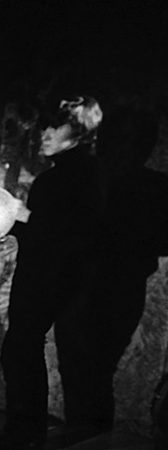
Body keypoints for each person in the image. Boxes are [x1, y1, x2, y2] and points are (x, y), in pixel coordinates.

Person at [0, 95, 106, 450]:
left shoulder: (70, 177)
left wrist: (22, 216)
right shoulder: (77, 174)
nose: (43, 133)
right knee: (28, 350)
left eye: (53, 126)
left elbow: (70, 235)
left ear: (77, 132)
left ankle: (25, 434)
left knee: (22, 350)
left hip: (50, 278)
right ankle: (33, 433)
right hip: (62, 278)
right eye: (43, 125)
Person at [89, 108, 168, 429]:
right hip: (85, 285)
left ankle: (87, 444)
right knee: (87, 372)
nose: (119, 148)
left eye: (128, 141)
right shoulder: (88, 180)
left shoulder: (155, 188)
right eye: (113, 139)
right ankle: (85, 444)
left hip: (120, 286)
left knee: (96, 372)